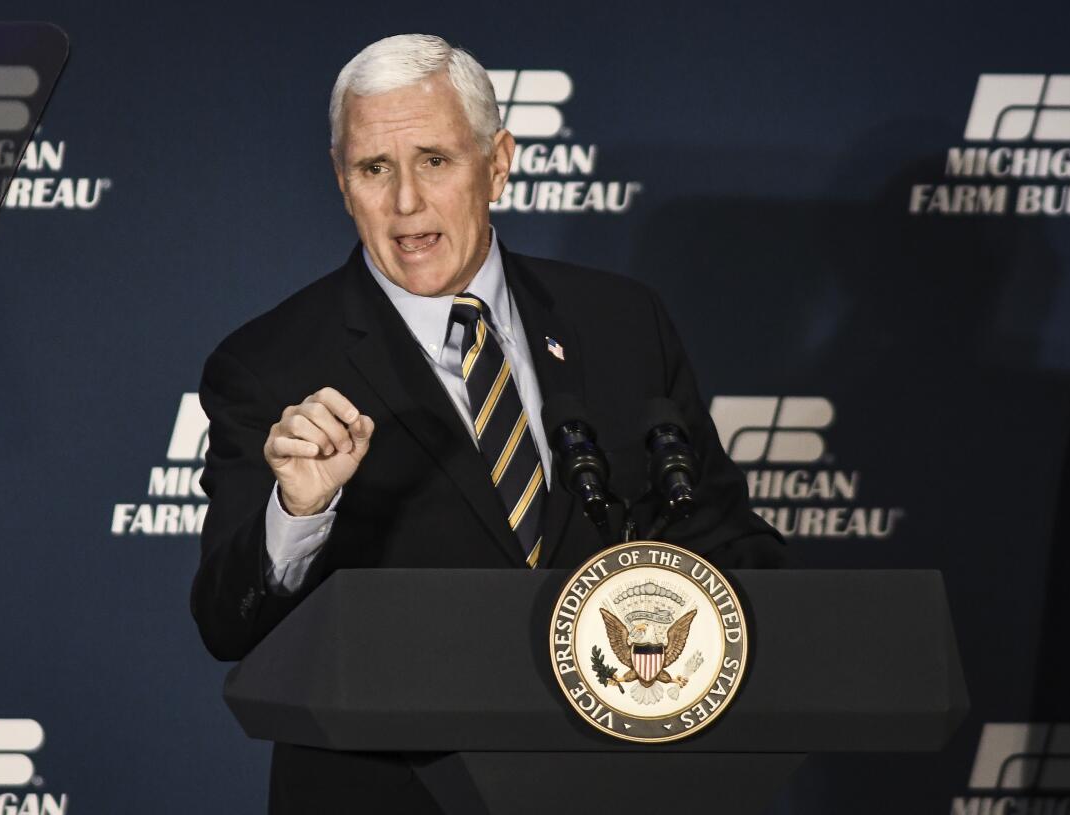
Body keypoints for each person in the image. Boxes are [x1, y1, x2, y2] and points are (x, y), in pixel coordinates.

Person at [191, 33, 784, 815]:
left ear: (497, 162)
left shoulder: (622, 323)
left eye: (435, 160)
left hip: (623, 783)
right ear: (342, 182)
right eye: (375, 169)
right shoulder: (271, 363)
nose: (406, 203)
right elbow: (226, 621)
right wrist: (297, 511)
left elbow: (725, 544)